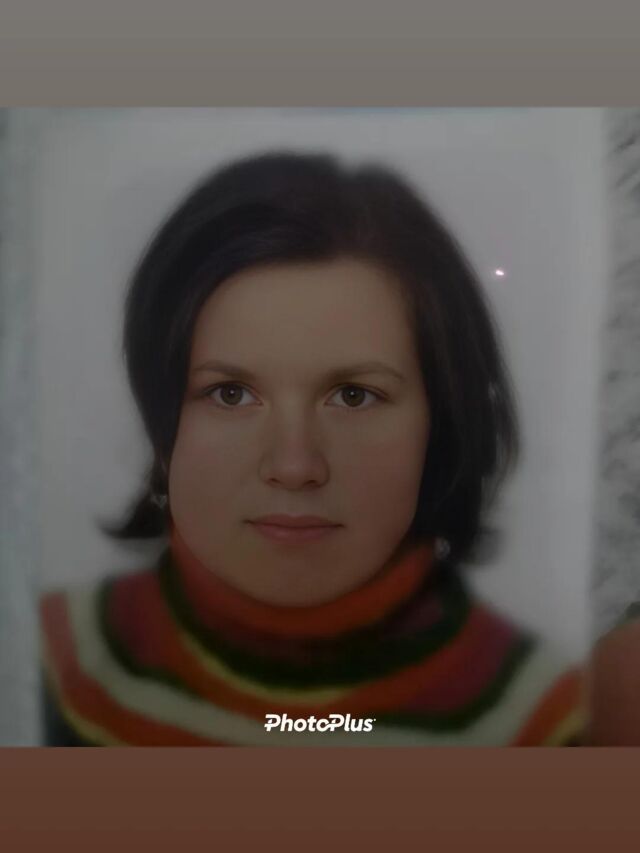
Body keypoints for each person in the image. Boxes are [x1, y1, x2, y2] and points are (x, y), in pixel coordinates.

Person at [39, 150, 587, 746]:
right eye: (230, 393)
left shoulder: (546, 725)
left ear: (443, 422)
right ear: (161, 419)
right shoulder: (46, 664)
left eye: (353, 396)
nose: (294, 466)